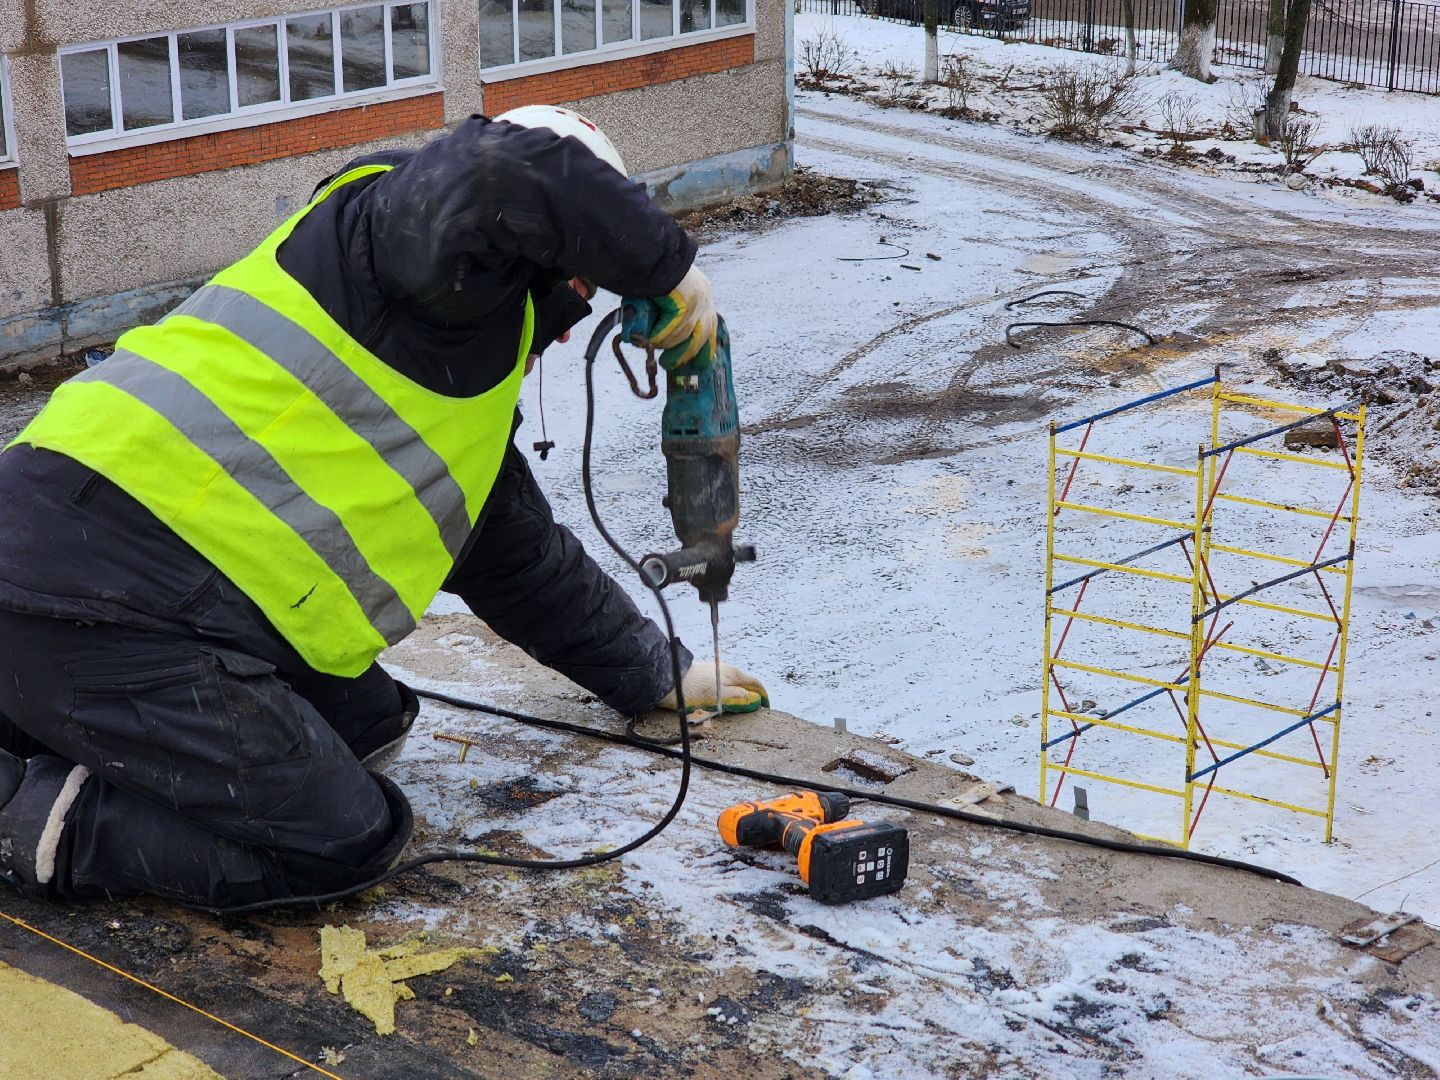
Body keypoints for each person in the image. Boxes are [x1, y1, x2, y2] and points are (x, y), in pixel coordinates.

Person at [0, 105, 767, 909]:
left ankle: (37, 715)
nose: (575, 322)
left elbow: (520, 562)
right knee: (344, 843)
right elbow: (500, 170)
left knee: (372, 723)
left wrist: (658, 675)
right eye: (580, 282)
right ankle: (40, 814)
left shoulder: (452, 367)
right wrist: (669, 270)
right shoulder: (394, 241)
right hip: (81, 581)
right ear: (537, 244)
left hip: (134, 589)